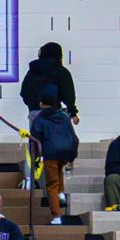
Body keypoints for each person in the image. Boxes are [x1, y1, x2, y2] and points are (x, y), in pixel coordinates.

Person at [33, 83, 79, 223]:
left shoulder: (39, 119)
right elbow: (74, 137)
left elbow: (36, 141)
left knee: (51, 184)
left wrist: (37, 159)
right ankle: (61, 194)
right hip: (66, 152)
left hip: (50, 153)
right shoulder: (64, 117)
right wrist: (72, 155)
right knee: (59, 173)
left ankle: (57, 216)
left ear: (41, 103)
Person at [20, 41, 78, 129]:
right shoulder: (61, 71)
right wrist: (73, 112)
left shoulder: (33, 71)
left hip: (34, 114)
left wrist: (34, 105)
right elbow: (68, 94)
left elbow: (24, 92)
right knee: (55, 141)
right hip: (54, 115)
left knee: (37, 141)